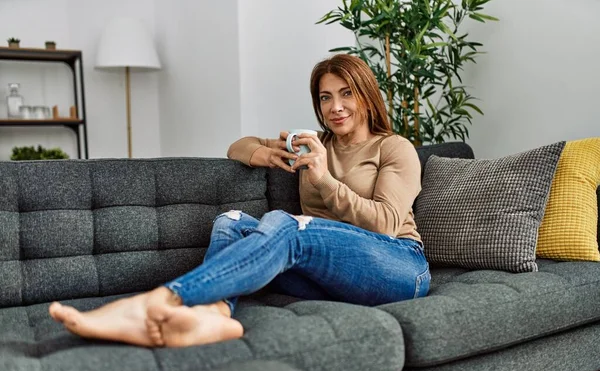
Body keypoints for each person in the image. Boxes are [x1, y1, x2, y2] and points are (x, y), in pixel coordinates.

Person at [48, 54, 430, 348]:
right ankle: (214, 316)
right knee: (231, 220)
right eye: (325, 97)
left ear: (366, 95)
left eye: (346, 93)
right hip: (329, 276)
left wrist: (325, 180)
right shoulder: (314, 143)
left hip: (397, 267)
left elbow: (386, 224)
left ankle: (158, 302)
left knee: (287, 222)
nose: (335, 107)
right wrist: (269, 155)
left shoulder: (393, 148)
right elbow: (239, 146)